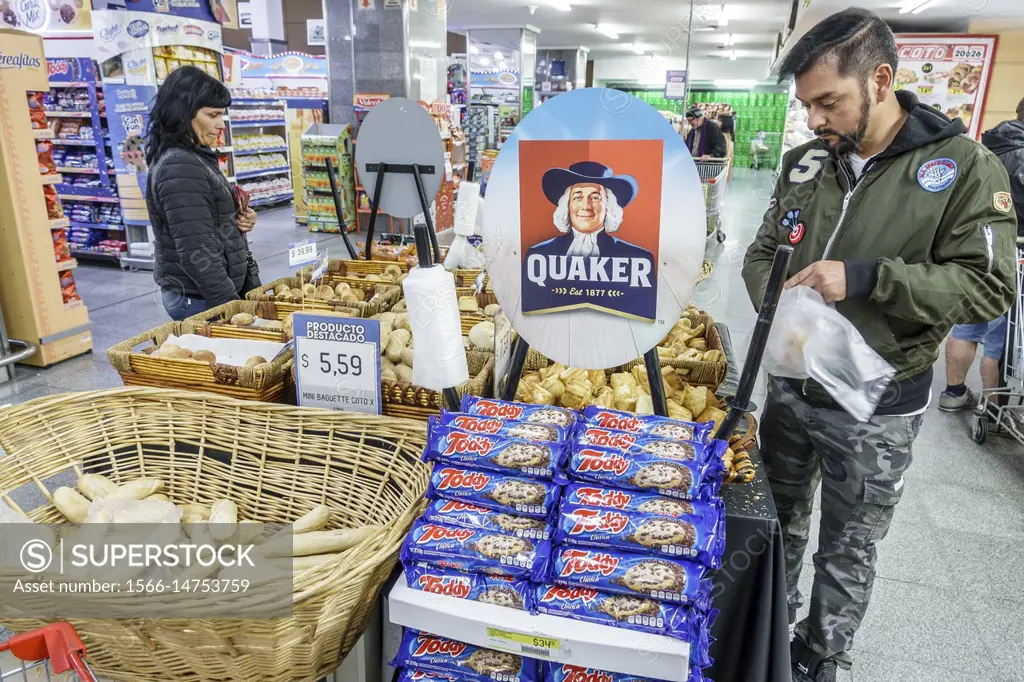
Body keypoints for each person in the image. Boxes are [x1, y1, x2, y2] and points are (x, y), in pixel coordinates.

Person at [742, 8, 1016, 682]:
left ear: (881, 79)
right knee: (776, 525)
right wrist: (780, 304)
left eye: (827, 101)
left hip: (875, 406)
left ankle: (820, 657)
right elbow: (761, 253)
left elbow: (987, 289)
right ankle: (770, 643)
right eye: (805, 104)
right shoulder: (807, 164)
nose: (813, 120)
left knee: (848, 546)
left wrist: (866, 278)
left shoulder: (964, 169)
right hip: (791, 385)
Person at [146, 66, 259, 321]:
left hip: (206, 292)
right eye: (213, 115)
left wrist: (240, 217)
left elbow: (205, 217)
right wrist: (231, 308)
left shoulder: (194, 156)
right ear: (183, 113)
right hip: (200, 297)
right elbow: (197, 253)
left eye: (222, 114)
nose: (221, 123)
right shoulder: (180, 166)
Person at [941, 96, 1024, 410]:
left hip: (977, 250)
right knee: (1002, 336)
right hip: (1016, 256)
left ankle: (953, 392)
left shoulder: (983, 149)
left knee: (967, 323)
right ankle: (994, 407)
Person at [522, 160, 656, 320]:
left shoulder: (638, 259)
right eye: (578, 197)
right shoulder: (538, 255)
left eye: (596, 198)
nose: (586, 206)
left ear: (608, 208)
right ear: (567, 206)